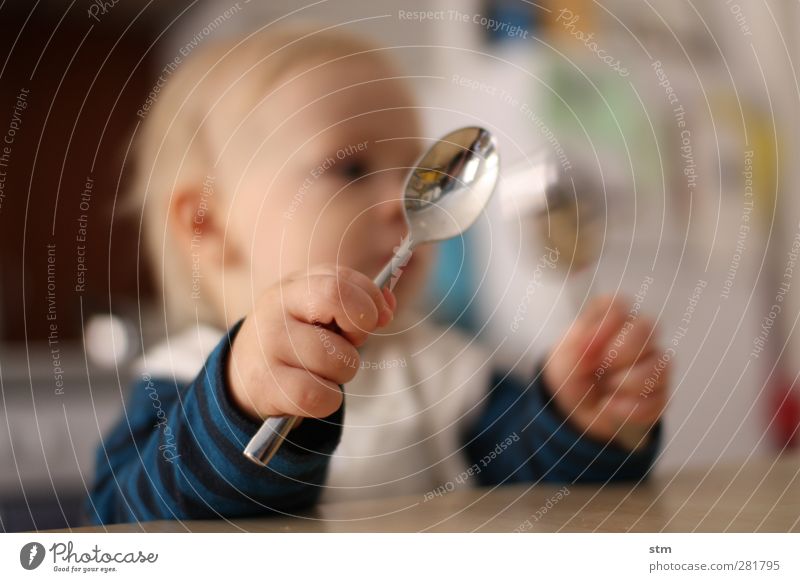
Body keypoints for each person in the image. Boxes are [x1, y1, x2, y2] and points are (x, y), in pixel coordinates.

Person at [86, 25, 668, 524]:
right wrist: (238, 412)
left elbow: (541, 494)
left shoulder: (449, 371)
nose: (400, 201)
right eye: (351, 168)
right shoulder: (183, 383)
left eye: (416, 171)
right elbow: (120, 524)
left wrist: (581, 421)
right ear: (208, 225)